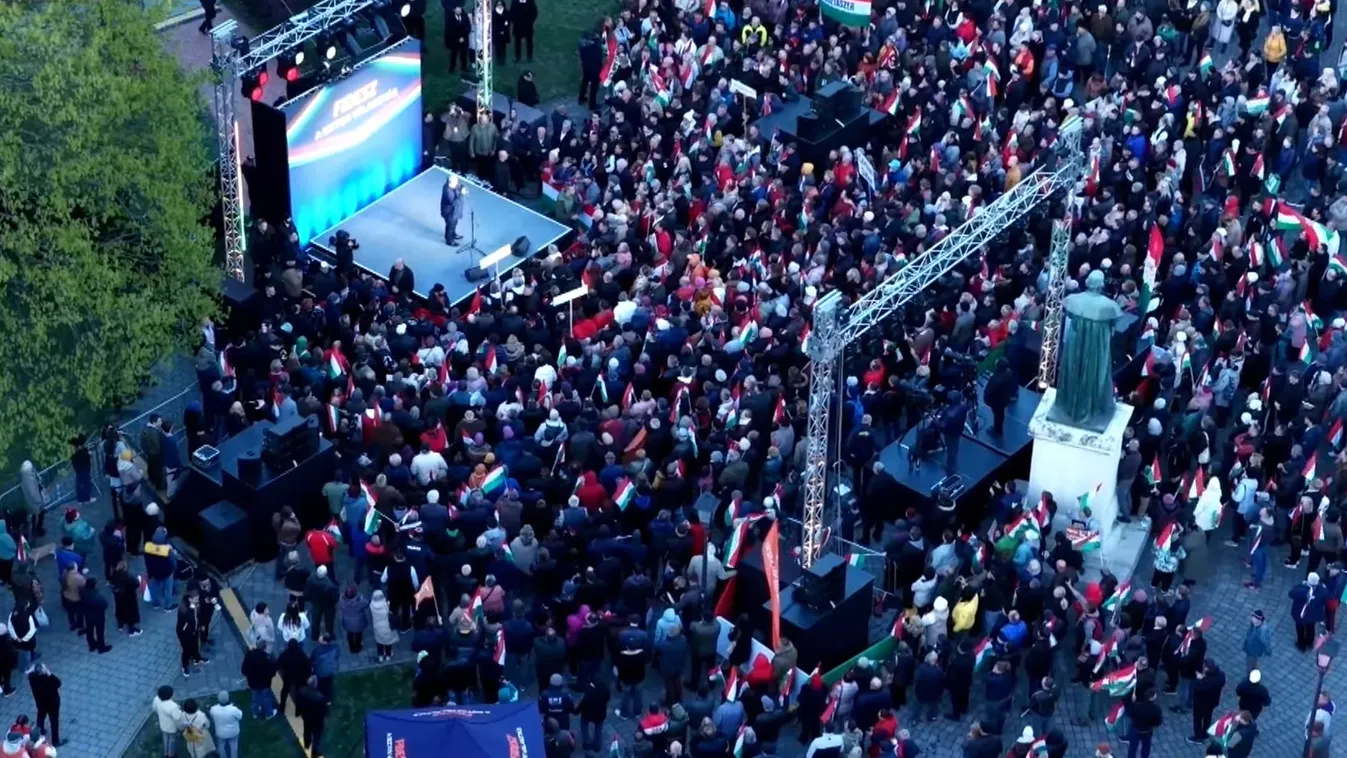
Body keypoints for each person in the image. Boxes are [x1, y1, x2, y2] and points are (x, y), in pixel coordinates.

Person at [1289, 572, 1328, 651]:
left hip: (1301, 614)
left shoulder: (1301, 589)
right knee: (1311, 628)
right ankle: (1309, 643)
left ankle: (1301, 645)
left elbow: (1291, 593)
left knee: (1300, 629)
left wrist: (1302, 584)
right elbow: (1326, 598)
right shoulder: (1321, 590)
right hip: (1313, 615)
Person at [241, 640, 278, 719]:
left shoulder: (249, 655)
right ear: (265, 647)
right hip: (264, 683)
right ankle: (268, 714)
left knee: (255, 697)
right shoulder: (267, 657)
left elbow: (244, 670)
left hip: (253, 682)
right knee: (266, 698)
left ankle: (255, 712)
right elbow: (272, 671)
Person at [27, 664, 61, 748]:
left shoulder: (32, 678)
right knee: (54, 721)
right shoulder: (47, 679)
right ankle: (55, 741)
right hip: (52, 703)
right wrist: (49, 674)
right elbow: (58, 683)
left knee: (41, 715)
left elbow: (31, 672)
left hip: (40, 703)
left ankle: (40, 731)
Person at [295, 675, 329, 756]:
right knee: (317, 736)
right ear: (315, 684)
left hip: (306, 716)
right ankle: (314, 752)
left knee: (307, 731)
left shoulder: (301, 691)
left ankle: (306, 744)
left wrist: (299, 712)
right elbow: (324, 711)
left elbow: (299, 703)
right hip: (317, 720)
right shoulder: (320, 698)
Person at [80, 576, 111, 653]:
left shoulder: (83, 591)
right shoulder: (97, 595)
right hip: (98, 615)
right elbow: (105, 604)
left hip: (88, 614)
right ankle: (101, 647)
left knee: (89, 630)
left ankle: (92, 645)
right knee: (99, 631)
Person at [209, 691, 243, 758]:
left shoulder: (213, 709)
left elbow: (212, 716)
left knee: (221, 745)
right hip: (233, 732)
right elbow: (240, 716)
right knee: (234, 745)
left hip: (220, 733)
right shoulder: (233, 709)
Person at [152, 685, 182, 758]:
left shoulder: (157, 699)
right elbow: (177, 717)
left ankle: (165, 753)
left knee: (165, 737)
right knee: (172, 740)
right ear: (171, 695)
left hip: (163, 724)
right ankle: (171, 754)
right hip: (172, 727)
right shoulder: (173, 706)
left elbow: (154, 708)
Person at [441, 175, 466, 246]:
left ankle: (453, 234)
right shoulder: (448, 192)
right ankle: (449, 240)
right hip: (449, 212)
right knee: (450, 226)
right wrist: (462, 194)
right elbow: (454, 203)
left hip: (455, 211)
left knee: (455, 223)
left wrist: (462, 187)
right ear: (451, 182)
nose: (458, 183)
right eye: (456, 182)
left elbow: (459, 186)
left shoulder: (451, 185)